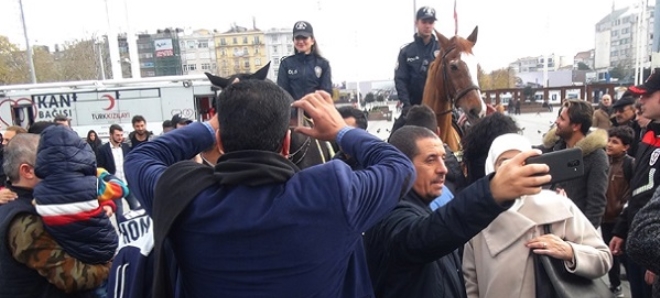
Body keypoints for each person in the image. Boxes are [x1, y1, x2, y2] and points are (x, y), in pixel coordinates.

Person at [124, 81, 416, 297]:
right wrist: (342, 131)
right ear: (286, 144)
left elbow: (139, 157)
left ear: (220, 142)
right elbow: (400, 166)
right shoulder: (333, 193)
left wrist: (208, 127)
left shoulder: (183, 198)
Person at [364, 125, 552, 298]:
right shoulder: (389, 217)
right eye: (431, 160)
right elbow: (426, 236)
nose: (443, 169)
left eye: (443, 159)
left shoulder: (423, 208)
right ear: (401, 166)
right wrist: (492, 191)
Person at [462, 133, 612, 298]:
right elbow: (471, 283)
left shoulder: (559, 207)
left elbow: (603, 258)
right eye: (504, 163)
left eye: (522, 162)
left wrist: (570, 251)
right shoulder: (478, 217)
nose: (514, 170)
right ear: (491, 168)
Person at [0, 133, 110, 297]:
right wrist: (114, 264)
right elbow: (73, 277)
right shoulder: (26, 219)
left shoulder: (35, 203)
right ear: (27, 171)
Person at [33, 125, 120, 266]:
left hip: (68, 255)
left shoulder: (38, 191)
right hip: (103, 249)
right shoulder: (93, 184)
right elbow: (122, 189)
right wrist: (103, 174)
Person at [612, 72, 660, 298]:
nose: (641, 101)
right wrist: (622, 229)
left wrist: (655, 259)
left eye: (647, 95)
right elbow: (638, 189)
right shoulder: (650, 134)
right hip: (637, 241)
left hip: (653, 249)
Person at [540, 99, 608, 228]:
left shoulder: (596, 157)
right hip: (547, 224)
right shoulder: (555, 147)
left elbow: (596, 204)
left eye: (562, 119)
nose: (556, 122)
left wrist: (582, 237)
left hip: (573, 230)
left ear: (576, 126)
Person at [602, 125, 635, 297]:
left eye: (615, 142)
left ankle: (634, 283)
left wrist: (624, 209)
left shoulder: (630, 164)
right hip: (605, 218)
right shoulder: (604, 161)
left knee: (625, 256)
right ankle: (615, 284)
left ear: (626, 146)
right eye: (609, 140)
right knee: (610, 253)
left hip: (621, 219)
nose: (609, 145)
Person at [394, 6, 439, 111]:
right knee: (397, 127)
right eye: (424, 22)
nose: (427, 26)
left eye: (430, 22)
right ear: (416, 23)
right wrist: (407, 106)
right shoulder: (406, 52)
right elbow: (400, 80)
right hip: (413, 108)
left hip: (439, 108)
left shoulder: (442, 50)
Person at [277, 21, 332, 101]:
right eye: (297, 38)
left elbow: (326, 92)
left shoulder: (323, 64)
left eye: (304, 38)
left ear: (312, 40)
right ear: (293, 40)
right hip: (292, 110)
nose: (301, 41)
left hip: (315, 110)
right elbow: (282, 91)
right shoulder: (286, 64)